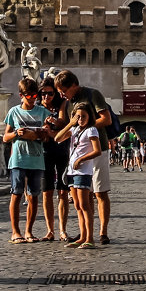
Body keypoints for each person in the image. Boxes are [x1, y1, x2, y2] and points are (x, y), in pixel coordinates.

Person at [54, 69, 114, 245]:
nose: (62, 94)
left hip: (98, 149)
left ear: (74, 85)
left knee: (100, 191)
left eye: (63, 91)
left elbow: (106, 119)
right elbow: (66, 127)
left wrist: (85, 125)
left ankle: (102, 232)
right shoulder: (68, 103)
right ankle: (85, 235)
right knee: (83, 197)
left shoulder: (92, 95)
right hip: (78, 153)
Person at [3, 76, 49, 243]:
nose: (32, 99)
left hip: (37, 160)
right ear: (21, 95)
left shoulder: (43, 112)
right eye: (28, 96)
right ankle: (15, 232)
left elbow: (50, 136)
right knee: (16, 194)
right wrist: (16, 133)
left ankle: (29, 231)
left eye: (34, 95)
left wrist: (43, 133)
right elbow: (5, 138)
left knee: (33, 196)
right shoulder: (13, 112)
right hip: (18, 159)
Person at [60, 103, 102, 249]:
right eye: (78, 116)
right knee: (77, 205)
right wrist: (70, 124)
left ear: (89, 116)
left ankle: (90, 238)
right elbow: (57, 138)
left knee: (85, 205)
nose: (81, 119)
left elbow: (97, 151)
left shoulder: (92, 130)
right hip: (72, 171)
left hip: (83, 171)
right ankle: (82, 236)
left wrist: (81, 159)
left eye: (83, 116)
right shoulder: (74, 129)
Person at [39, 77, 71, 242]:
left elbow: (64, 124)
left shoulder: (63, 104)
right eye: (43, 94)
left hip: (62, 151)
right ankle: (50, 230)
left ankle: (63, 230)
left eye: (50, 94)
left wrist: (52, 123)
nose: (46, 97)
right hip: (44, 152)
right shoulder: (38, 108)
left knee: (63, 192)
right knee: (47, 192)